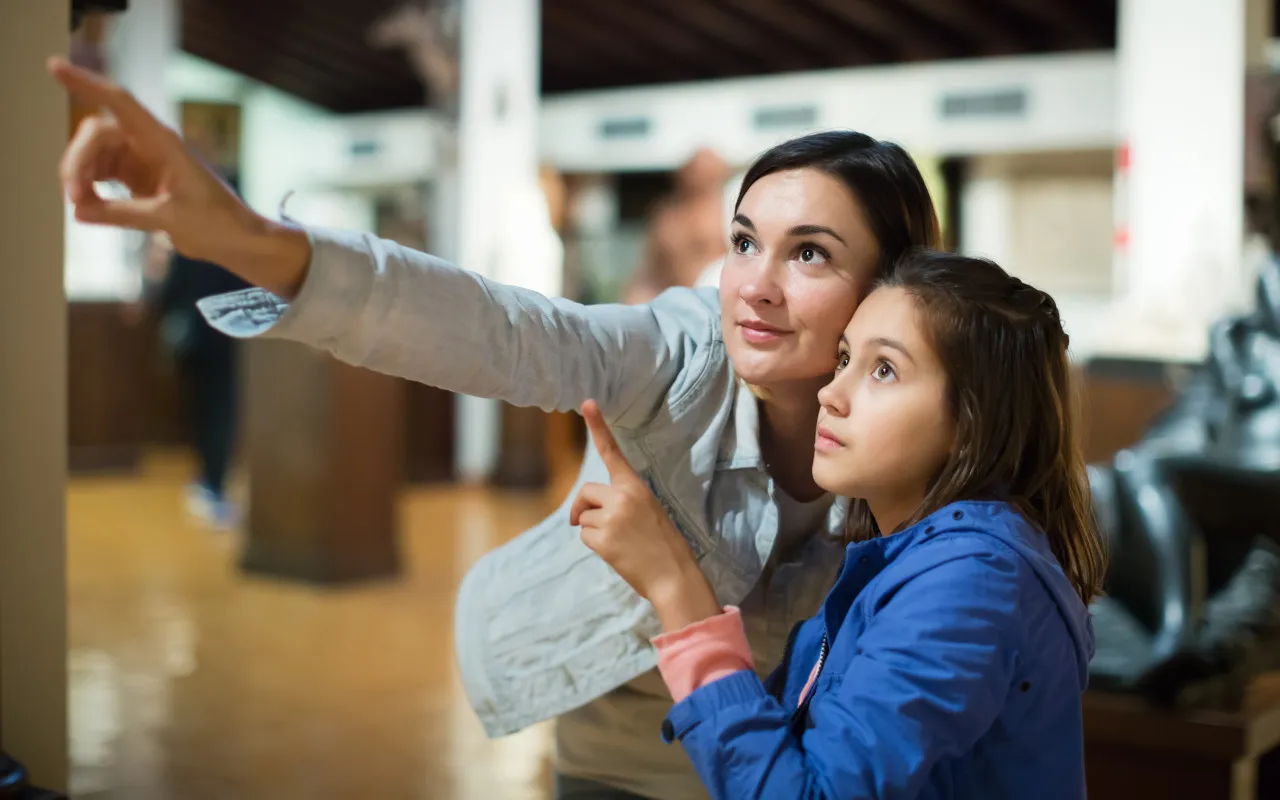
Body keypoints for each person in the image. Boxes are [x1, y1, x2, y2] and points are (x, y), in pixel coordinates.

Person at [48, 58, 940, 800]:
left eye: (810, 253)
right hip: (619, 754)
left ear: (895, 289)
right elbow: (503, 330)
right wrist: (249, 238)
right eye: (744, 242)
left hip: (780, 766)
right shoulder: (680, 349)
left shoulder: (925, 446)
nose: (755, 284)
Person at [573, 251, 1107, 799]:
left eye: (883, 370)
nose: (831, 394)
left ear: (971, 424)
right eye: (844, 358)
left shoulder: (972, 583)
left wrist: (676, 589)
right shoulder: (915, 557)